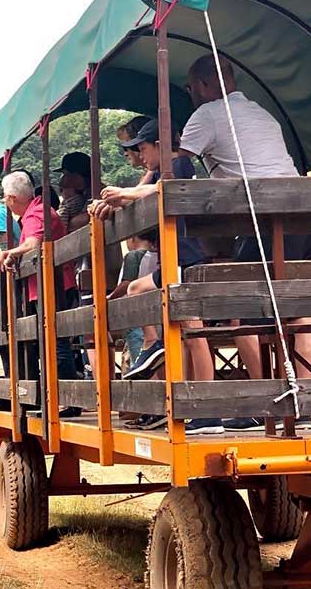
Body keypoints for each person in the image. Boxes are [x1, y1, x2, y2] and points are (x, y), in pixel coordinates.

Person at [175, 53, 311, 432]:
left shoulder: (206, 115)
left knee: (244, 314)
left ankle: (265, 404)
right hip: (307, 215)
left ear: (204, 85)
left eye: (191, 88)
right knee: (299, 310)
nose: (192, 95)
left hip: (266, 219)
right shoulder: (261, 112)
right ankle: (303, 406)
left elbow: (178, 169)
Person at [91, 117, 217, 434]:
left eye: (143, 149)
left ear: (159, 146)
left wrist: (126, 194)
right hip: (172, 262)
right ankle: (155, 344)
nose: (141, 156)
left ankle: (209, 408)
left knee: (194, 332)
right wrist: (116, 201)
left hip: (185, 260)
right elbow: (145, 189)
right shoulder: (160, 169)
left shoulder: (180, 165)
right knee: (139, 291)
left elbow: (162, 190)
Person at [0, 171, 80, 416]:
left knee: (55, 341)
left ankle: (69, 400)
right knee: (47, 341)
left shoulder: (37, 212)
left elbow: (33, 243)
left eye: (6, 199)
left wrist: (10, 253)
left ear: (11, 198)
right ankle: (51, 397)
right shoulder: (35, 212)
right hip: (44, 286)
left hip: (53, 286)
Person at [110, 233, 157, 365]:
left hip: (136, 312)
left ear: (132, 238)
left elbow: (127, 284)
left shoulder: (133, 256)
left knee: (140, 350)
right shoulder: (159, 254)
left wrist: (109, 297)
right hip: (156, 309)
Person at [55, 152, 91, 232]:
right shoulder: (79, 193)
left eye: (65, 174)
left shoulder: (98, 192)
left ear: (76, 176)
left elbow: (87, 219)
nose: (63, 180)